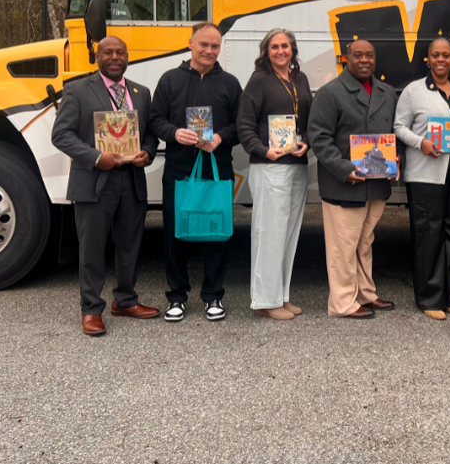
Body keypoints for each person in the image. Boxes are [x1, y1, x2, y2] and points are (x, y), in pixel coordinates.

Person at [51, 36, 160, 336]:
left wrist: (147, 151)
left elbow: (150, 133)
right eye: (108, 52)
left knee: (129, 245)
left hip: (131, 179)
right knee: (92, 248)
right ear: (97, 57)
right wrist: (97, 157)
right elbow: (61, 135)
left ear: (127, 57)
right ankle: (91, 309)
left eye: (120, 52)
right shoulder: (77, 90)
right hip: (94, 180)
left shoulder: (141, 92)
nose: (115, 57)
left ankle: (125, 300)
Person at [149, 22, 242, 323]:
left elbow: (241, 125)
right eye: (204, 44)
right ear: (190, 43)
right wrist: (174, 133)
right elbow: (155, 119)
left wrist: (221, 137)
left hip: (217, 170)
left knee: (216, 235)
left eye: (215, 46)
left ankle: (213, 295)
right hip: (178, 170)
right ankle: (177, 297)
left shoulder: (230, 83)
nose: (209, 51)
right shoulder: (170, 80)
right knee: (175, 235)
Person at [308, 39, 398, 319]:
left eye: (369, 55)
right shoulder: (330, 92)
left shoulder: (387, 92)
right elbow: (318, 138)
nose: (364, 60)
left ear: (375, 59)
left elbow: (394, 133)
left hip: (376, 184)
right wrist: (344, 168)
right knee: (342, 248)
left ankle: (365, 294)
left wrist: (396, 158)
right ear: (347, 59)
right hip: (344, 184)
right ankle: (342, 303)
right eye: (357, 55)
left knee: (363, 243)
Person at [394, 38, 450, 320]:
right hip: (425, 175)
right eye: (435, 55)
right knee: (429, 236)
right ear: (428, 59)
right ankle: (428, 299)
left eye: (445, 55)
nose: (440, 60)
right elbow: (399, 127)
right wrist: (420, 143)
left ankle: (447, 296)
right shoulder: (414, 91)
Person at [237, 28, 312, 321]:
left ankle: (281, 295)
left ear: (292, 49)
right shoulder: (259, 80)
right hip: (269, 165)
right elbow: (244, 124)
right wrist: (262, 150)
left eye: (285, 46)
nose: (281, 51)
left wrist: (307, 141)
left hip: (297, 164)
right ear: (266, 52)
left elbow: (308, 120)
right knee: (269, 232)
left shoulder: (300, 79)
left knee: (289, 233)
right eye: (274, 47)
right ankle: (265, 301)